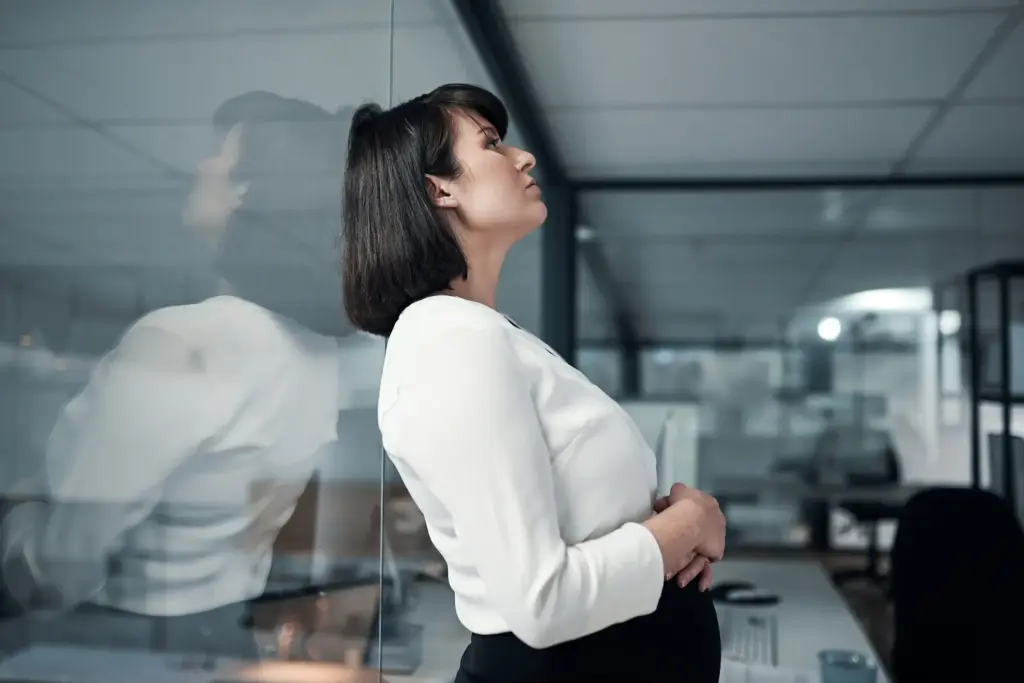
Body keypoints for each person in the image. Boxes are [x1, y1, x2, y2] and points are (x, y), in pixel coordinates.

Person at [342, 83, 725, 682]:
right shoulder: (452, 342)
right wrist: (686, 526)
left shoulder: (480, 334)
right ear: (437, 188)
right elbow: (540, 600)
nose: (524, 157)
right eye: (492, 144)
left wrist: (687, 521)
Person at [0, 91, 354, 658]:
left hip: (128, 641)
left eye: (221, 154)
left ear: (248, 191)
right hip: (225, 634)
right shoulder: (316, 358)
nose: (202, 166)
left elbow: (60, 569)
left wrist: (20, 516)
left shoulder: (184, 340)